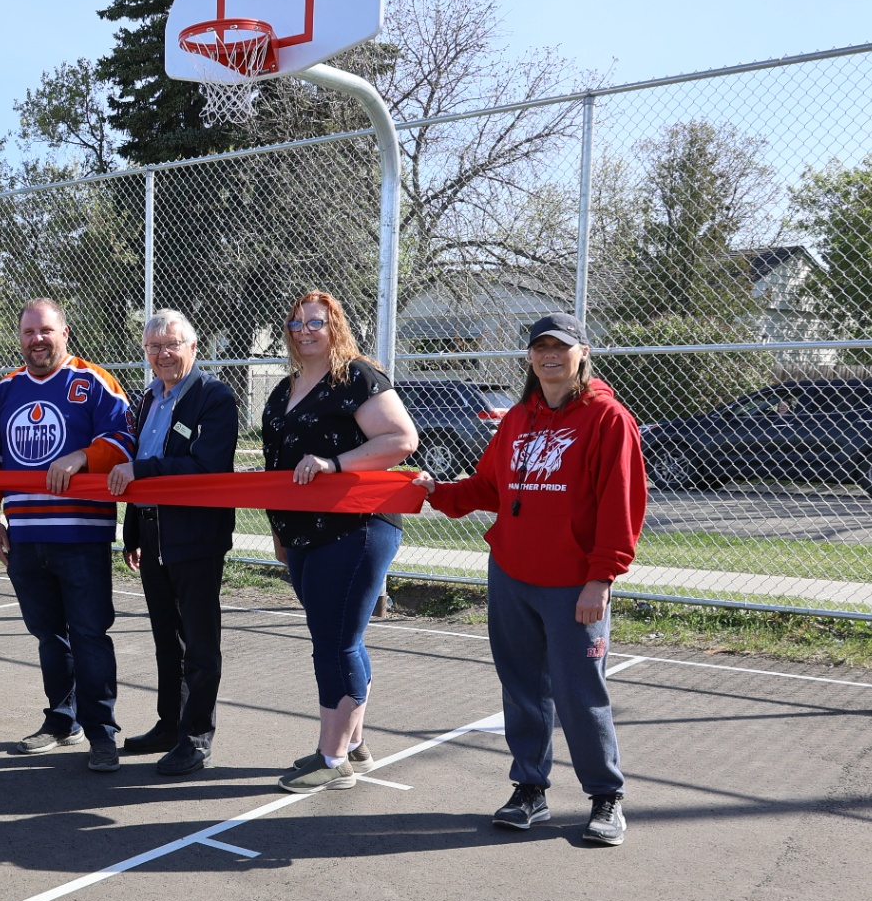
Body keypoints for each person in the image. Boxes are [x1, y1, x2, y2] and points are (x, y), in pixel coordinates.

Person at [417, 313, 646, 846]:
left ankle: (606, 796)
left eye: (560, 347)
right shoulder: (519, 417)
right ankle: (530, 789)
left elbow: (622, 506)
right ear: (528, 357)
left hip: (573, 584)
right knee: (521, 689)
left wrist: (601, 578)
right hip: (512, 575)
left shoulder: (609, 419)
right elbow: (487, 487)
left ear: (582, 353)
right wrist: (434, 491)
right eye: (540, 347)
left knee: (579, 692)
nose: (550, 355)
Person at [261, 291, 419, 794]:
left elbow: (400, 439)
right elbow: (276, 470)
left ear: (335, 327)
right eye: (296, 322)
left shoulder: (356, 376)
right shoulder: (282, 389)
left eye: (316, 322)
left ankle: (331, 760)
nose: (304, 330)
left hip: (358, 525)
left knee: (334, 642)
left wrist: (336, 464)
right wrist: (279, 531)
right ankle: (353, 742)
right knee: (340, 637)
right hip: (303, 531)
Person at [0, 299, 135, 772]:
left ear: (64, 332)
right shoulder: (4, 393)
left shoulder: (94, 381)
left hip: (81, 537)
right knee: (48, 636)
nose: (37, 340)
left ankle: (102, 733)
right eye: (28, 332)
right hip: (24, 536)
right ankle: (61, 720)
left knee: (89, 634)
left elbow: (125, 440)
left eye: (46, 330)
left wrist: (84, 456)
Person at [108, 309, 239, 777]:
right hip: (154, 535)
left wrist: (142, 472)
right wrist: (134, 532)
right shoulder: (147, 398)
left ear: (193, 348)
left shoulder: (214, 397)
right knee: (168, 640)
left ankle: (196, 738)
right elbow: (134, 465)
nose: (163, 354)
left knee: (200, 644)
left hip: (197, 537)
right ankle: (170, 726)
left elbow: (206, 466)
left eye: (172, 345)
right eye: (154, 347)